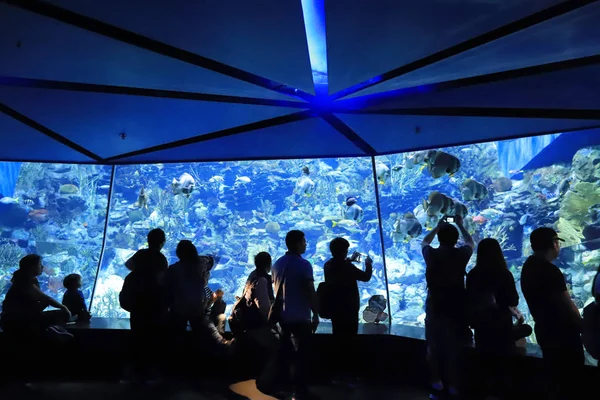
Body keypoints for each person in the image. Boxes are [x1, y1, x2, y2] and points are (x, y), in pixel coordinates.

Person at [520, 227, 583, 400]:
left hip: (544, 330)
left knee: (555, 376)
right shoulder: (550, 271)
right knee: (572, 378)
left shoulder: (528, 266)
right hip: (563, 333)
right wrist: (582, 325)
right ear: (554, 244)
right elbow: (566, 303)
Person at [466, 238, 532, 398]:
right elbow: (513, 300)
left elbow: (470, 299)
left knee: (485, 360)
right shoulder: (504, 274)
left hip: (481, 325)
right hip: (502, 325)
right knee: (504, 361)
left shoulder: (473, 274)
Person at [421, 216, 474, 400]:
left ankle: (436, 382)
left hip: (435, 306)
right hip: (456, 308)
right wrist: (460, 224)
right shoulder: (461, 255)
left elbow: (425, 241)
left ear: (440, 238)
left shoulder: (431, 255)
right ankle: (454, 386)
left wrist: (437, 226)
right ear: (454, 239)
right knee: (454, 348)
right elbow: (470, 242)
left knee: (433, 347)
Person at [271, 230, 320, 400]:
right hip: (300, 316)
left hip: (282, 317)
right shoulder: (304, 265)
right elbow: (310, 291)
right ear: (298, 243)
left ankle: (283, 386)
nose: (306, 244)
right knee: (303, 353)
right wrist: (316, 313)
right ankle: (300, 388)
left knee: (285, 352)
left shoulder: (277, 264)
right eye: (304, 241)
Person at [121, 228, 169, 384]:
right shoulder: (161, 258)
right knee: (153, 339)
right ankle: (151, 375)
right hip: (154, 304)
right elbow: (162, 280)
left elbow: (128, 265)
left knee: (137, 336)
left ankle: (133, 374)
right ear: (162, 242)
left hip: (137, 302)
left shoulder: (141, 254)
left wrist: (139, 271)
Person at [323, 237, 373, 387]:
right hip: (349, 310)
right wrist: (368, 264)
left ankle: (336, 375)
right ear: (344, 251)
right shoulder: (346, 266)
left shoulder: (328, 265)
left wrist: (349, 261)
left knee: (338, 340)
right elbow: (366, 277)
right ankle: (348, 377)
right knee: (349, 342)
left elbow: (339, 269)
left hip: (335, 309)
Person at [1, 254, 72, 342]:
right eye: (39, 264)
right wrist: (64, 307)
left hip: (17, 318)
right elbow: (47, 299)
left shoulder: (24, 279)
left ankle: (50, 330)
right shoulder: (26, 282)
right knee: (63, 313)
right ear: (31, 267)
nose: (42, 267)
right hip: (16, 322)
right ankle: (49, 332)